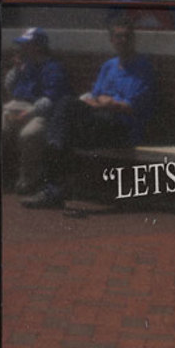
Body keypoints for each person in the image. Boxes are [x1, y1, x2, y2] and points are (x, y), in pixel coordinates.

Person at [22, 11, 154, 209]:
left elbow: (132, 107)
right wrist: (103, 102)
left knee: (63, 118)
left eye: (127, 36)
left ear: (133, 39)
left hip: (122, 127)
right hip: (99, 120)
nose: (123, 40)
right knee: (65, 114)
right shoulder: (108, 67)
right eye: (119, 36)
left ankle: (51, 187)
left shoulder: (143, 68)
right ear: (112, 40)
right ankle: (53, 186)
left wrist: (110, 103)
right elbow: (93, 98)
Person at [2, 28, 70, 194]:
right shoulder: (26, 66)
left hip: (41, 113)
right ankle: (2, 176)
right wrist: (17, 69)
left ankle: (28, 181)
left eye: (26, 45)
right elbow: (10, 89)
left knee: (29, 135)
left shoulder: (53, 68)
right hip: (17, 108)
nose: (22, 49)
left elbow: (50, 101)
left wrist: (28, 114)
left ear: (38, 46)